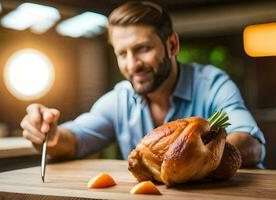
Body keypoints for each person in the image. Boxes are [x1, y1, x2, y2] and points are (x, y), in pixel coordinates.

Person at [20, 1, 265, 168]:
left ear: (172, 46)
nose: (132, 64)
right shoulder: (120, 100)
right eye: (122, 53)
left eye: (143, 49)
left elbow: (251, 145)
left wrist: (184, 163)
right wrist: (48, 134)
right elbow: (74, 140)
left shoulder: (212, 84)